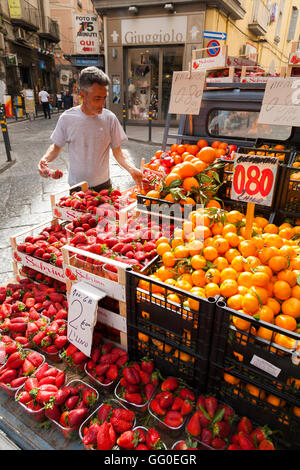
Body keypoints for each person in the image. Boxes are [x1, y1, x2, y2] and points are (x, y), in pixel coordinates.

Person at [38, 67, 143, 192]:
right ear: (83, 95)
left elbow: (118, 152)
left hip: (104, 186)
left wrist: (132, 169)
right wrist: (45, 159)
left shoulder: (110, 118)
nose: (103, 103)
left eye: (104, 97)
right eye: (97, 98)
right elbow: (56, 147)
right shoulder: (67, 118)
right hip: (77, 188)